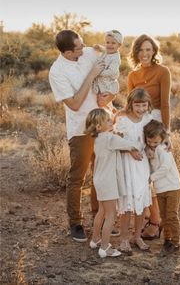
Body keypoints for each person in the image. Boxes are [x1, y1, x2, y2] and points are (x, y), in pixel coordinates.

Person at [49, 30, 106, 242]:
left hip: (102, 125)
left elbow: (107, 55)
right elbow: (73, 104)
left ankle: (100, 220)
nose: (85, 49)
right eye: (79, 48)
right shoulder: (57, 72)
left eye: (83, 45)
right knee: (77, 178)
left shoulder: (87, 52)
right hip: (80, 129)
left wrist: (105, 47)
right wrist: (91, 76)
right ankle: (75, 223)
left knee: (100, 174)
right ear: (67, 52)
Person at [127, 34, 172, 239]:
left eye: (148, 49)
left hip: (155, 126)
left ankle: (157, 221)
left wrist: (166, 132)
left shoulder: (163, 71)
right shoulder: (132, 76)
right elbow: (130, 106)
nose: (144, 53)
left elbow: (165, 104)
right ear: (135, 52)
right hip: (137, 126)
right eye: (140, 50)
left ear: (154, 51)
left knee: (155, 172)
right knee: (141, 173)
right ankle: (147, 215)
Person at [85, 108, 141, 258]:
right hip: (108, 182)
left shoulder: (99, 138)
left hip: (99, 180)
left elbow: (118, 142)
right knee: (111, 214)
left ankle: (95, 239)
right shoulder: (110, 139)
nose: (112, 122)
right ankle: (104, 248)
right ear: (98, 126)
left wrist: (116, 134)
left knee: (102, 211)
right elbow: (129, 143)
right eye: (108, 120)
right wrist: (138, 143)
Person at [115, 88, 152, 253]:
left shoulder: (148, 120)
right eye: (137, 105)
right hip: (127, 164)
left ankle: (137, 236)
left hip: (142, 165)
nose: (141, 109)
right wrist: (130, 149)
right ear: (130, 104)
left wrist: (151, 148)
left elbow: (152, 139)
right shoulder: (122, 120)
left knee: (141, 201)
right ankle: (123, 239)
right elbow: (116, 142)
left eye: (144, 105)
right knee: (127, 203)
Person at [143, 120, 180, 253]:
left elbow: (165, 168)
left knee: (171, 215)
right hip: (160, 188)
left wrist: (151, 178)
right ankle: (167, 239)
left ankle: (176, 243)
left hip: (172, 187)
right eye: (149, 142)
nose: (152, 145)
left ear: (162, 138)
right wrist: (148, 148)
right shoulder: (150, 149)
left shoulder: (164, 149)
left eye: (155, 142)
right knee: (164, 216)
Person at [92, 30, 123, 100]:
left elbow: (112, 72)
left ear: (119, 45)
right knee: (95, 97)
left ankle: (108, 108)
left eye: (113, 43)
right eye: (107, 42)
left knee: (102, 100)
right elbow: (105, 50)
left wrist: (98, 72)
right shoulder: (108, 51)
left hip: (107, 83)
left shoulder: (115, 59)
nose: (110, 45)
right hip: (100, 80)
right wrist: (99, 48)